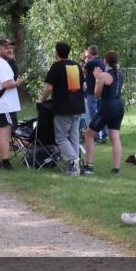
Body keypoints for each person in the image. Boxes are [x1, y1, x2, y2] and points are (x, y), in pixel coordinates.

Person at [40, 42, 86, 175]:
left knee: (60, 137)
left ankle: (74, 160)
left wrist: (41, 100)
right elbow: (83, 88)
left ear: (57, 53)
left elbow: (49, 87)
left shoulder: (57, 66)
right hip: (78, 106)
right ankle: (77, 166)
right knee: (74, 135)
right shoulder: (76, 66)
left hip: (63, 107)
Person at [81, 50, 125, 175]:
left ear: (105, 61)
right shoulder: (120, 74)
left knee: (89, 135)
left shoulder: (104, 75)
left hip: (107, 107)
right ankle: (116, 167)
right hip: (119, 106)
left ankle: (89, 166)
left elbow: (96, 94)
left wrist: (97, 79)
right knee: (115, 137)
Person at [0, 38, 25, 170]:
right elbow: (7, 84)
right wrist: (18, 82)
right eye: (6, 47)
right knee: (5, 133)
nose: (9, 49)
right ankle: (6, 162)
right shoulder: (2, 65)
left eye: (11, 47)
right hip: (5, 105)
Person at [84, 45, 108, 144]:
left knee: (92, 114)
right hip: (100, 91)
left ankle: (96, 135)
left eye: (87, 53)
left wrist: (85, 60)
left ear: (90, 53)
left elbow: (83, 71)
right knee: (101, 113)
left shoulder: (91, 63)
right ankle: (104, 134)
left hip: (91, 92)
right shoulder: (101, 62)